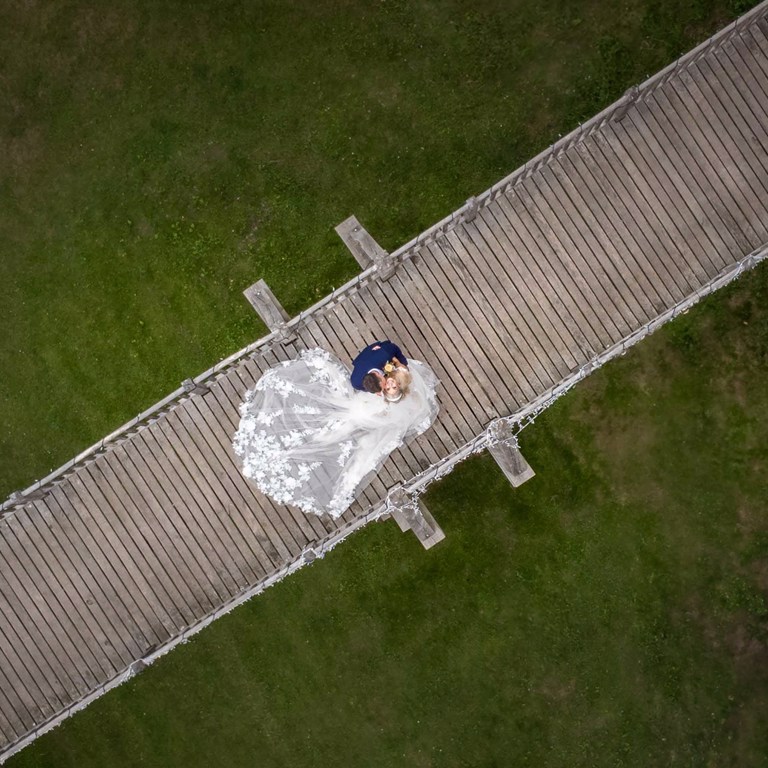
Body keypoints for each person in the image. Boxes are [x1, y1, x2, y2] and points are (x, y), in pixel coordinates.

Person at [233, 347, 438, 518]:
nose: (389, 385)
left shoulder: (390, 392)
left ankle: (316, 442)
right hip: (363, 410)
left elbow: (391, 397)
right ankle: (315, 441)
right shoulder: (381, 386)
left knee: (352, 434)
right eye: (389, 384)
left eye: (390, 386)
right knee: (344, 428)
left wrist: (386, 396)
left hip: (368, 411)